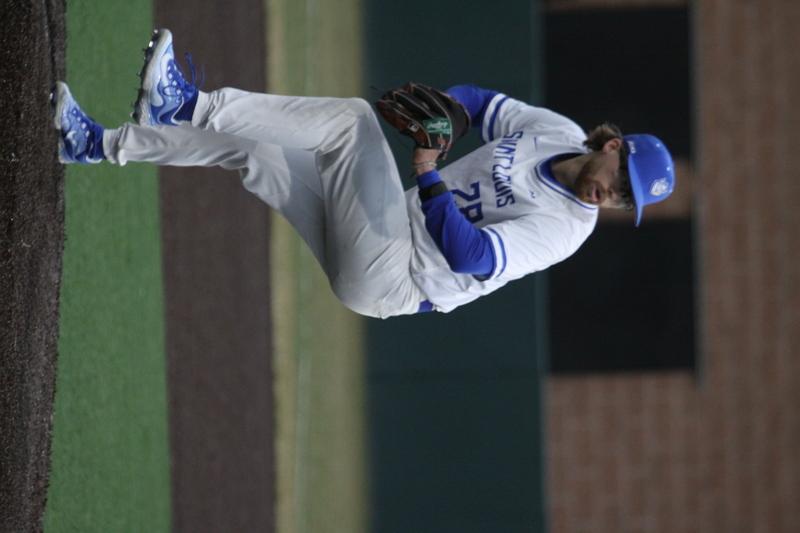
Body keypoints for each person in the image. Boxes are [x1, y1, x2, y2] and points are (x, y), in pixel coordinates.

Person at [52, 29, 675, 319]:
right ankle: (95, 144)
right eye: (625, 181)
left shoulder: (569, 228)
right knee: (253, 151)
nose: (615, 196)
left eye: (627, 202)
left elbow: (472, 256)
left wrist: (430, 168)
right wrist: (453, 118)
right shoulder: (558, 133)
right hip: (381, 231)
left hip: (396, 278)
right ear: (614, 146)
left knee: (351, 123)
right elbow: (483, 103)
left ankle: (186, 103)